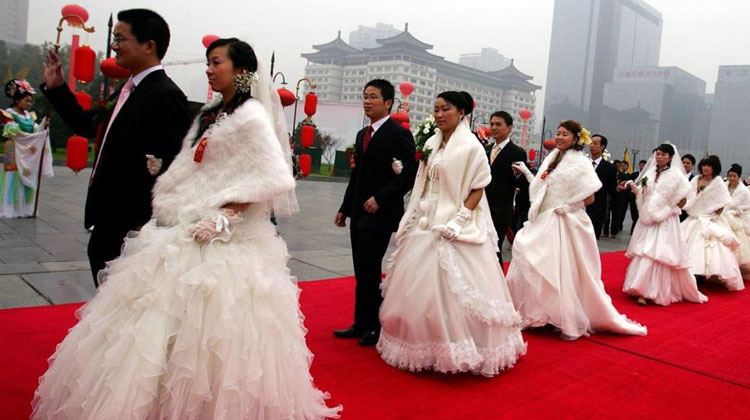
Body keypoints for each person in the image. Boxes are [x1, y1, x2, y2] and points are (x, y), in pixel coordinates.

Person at [31, 38, 340, 419]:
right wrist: (171, 180)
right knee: (157, 322)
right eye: (208, 63)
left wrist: (223, 216)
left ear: (241, 72)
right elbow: (201, 167)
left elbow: (269, 179)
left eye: (216, 63)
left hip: (224, 238)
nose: (209, 70)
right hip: (186, 223)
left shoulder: (252, 118)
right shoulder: (211, 113)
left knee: (212, 332)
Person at [377, 91, 526, 376]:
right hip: (425, 219)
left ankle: (461, 347)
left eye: (446, 109)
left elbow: (478, 186)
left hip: (455, 222)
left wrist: (458, 220)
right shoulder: (431, 141)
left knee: (453, 292)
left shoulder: (471, 146)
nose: (439, 114)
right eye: (436, 109)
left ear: (461, 113)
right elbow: (424, 176)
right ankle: (420, 344)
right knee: (416, 289)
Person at [41, 8, 191, 286]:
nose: (114, 46)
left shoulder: (166, 96)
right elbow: (88, 127)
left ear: (149, 46)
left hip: (133, 225)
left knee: (125, 304)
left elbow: (175, 165)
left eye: (121, 39)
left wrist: (144, 223)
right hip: (108, 216)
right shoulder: (127, 89)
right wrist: (58, 88)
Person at [507, 120, 647, 340]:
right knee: (534, 264)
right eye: (559, 133)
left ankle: (561, 315)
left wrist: (568, 207)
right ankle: (536, 313)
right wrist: (526, 171)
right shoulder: (552, 158)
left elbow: (589, 197)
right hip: (544, 218)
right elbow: (540, 189)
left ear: (575, 138)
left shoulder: (580, 162)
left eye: (565, 134)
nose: (560, 137)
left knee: (561, 270)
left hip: (565, 222)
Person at [334, 79, 417, 346]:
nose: (367, 101)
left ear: (388, 102)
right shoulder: (363, 135)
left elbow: (409, 176)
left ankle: (375, 326)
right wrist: (345, 208)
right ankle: (361, 323)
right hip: (359, 212)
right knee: (362, 269)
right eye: (365, 96)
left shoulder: (398, 133)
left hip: (381, 214)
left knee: (370, 269)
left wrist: (380, 199)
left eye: (373, 97)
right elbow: (356, 176)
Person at [621, 144, 707, 306]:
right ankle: (639, 287)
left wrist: (668, 208)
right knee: (644, 251)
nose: (659, 157)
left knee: (657, 253)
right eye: (657, 154)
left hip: (665, 221)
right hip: (648, 218)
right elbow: (644, 194)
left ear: (670, 157)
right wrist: (633, 187)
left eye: (663, 154)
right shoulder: (651, 173)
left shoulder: (677, 176)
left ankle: (649, 291)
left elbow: (683, 200)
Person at [681, 155, 744, 291]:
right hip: (693, 218)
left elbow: (723, 201)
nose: (705, 168)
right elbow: (687, 195)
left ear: (714, 168)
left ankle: (699, 275)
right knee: (688, 245)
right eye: (704, 165)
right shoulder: (696, 179)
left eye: (709, 166)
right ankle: (690, 274)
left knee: (705, 248)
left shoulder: (718, 182)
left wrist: (714, 213)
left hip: (709, 219)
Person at [1, 80, 53, 218]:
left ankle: (25, 209)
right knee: (14, 176)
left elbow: (36, 131)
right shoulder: (9, 113)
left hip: (28, 149)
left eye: (30, 101)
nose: (29, 104)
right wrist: (33, 138)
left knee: (28, 175)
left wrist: (43, 124)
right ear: (17, 100)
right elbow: (13, 132)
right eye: (26, 100)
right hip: (13, 147)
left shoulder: (30, 116)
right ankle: (11, 208)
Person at [484, 110, 527, 263]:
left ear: (509, 128)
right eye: (492, 124)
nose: (494, 127)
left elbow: (521, 182)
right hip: (481, 206)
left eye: (498, 124)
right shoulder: (485, 149)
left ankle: (497, 283)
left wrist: (517, 175)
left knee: (494, 247)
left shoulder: (517, 152)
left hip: (501, 209)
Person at [585, 134, 617, 239]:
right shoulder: (582, 163)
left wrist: (618, 188)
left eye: (595, 143)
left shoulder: (609, 168)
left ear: (602, 147)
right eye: (591, 143)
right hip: (579, 206)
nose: (591, 146)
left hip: (597, 209)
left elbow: (612, 190)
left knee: (592, 239)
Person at [722, 164, 750, 279]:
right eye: (730, 176)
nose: (731, 178)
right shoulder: (724, 186)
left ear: (739, 177)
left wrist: (727, 212)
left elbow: (734, 205)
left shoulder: (743, 191)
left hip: (739, 216)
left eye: (734, 176)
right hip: (725, 214)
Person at [679, 154, 697, 222]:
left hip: (687, 211)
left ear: (693, 165)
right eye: (683, 162)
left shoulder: (694, 179)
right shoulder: (676, 176)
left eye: (688, 163)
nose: (685, 164)